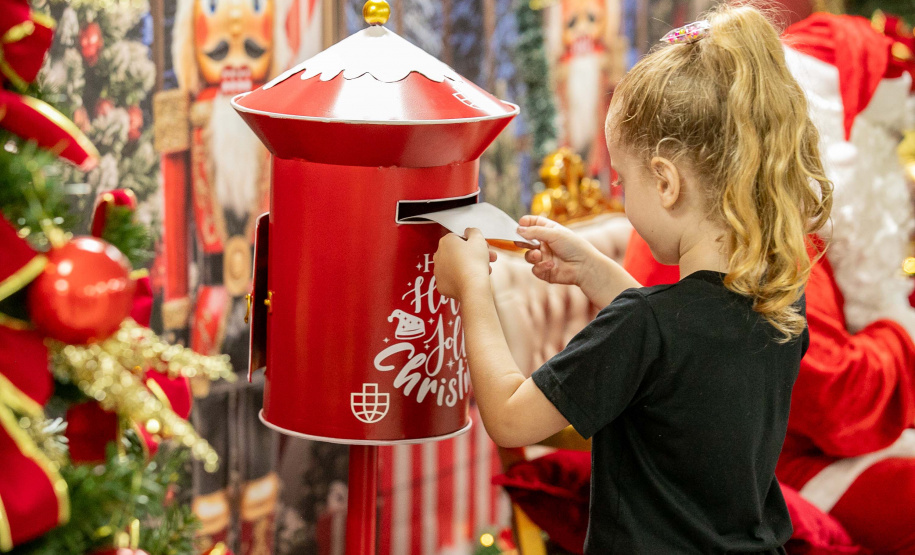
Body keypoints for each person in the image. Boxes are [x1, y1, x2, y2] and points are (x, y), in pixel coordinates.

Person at [433, 5, 832, 553]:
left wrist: (472, 289)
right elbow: (682, 352)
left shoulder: (645, 324)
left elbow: (509, 419)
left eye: (622, 180)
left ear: (666, 182)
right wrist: (597, 272)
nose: (620, 194)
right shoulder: (778, 303)